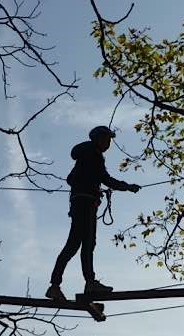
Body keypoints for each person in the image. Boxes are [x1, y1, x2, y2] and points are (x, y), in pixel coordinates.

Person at [46, 126, 141, 301]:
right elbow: (105, 178)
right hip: (86, 203)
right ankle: (89, 283)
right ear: (98, 139)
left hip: (80, 202)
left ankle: (55, 285)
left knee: (74, 245)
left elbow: (72, 179)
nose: (109, 143)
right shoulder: (93, 154)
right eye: (107, 139)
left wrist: (90, 186)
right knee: (87, 244)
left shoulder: (85, 155)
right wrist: (127, 187)